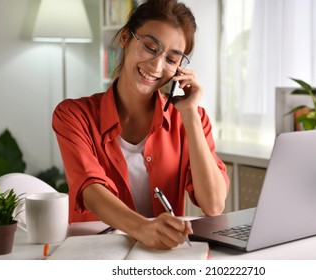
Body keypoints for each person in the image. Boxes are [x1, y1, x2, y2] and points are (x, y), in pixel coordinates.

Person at [52, 0, 229, 250]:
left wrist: (189, 115)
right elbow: (91, 191)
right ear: (125, 38)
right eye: (149, 47)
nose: (157, 66)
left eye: (171, 59)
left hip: (159, 256)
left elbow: (213, 205)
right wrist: (143, 229)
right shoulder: (73, 115)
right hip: (96, 253)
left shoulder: (193, 119)